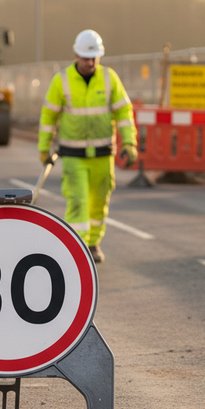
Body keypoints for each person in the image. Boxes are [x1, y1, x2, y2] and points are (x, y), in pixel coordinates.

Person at [37, 29, 138, 264]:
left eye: (94, 58)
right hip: (73, 155)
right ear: (76, 55)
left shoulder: (109, 78)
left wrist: (130, 142)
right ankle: (77, 246)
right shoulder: (61, 81)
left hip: (103, 154)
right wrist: (44, 148)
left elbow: (124, 112)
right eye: (85, 58)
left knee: (99, 201)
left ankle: (92, 244)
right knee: (78, 200)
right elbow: (48, 116)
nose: (90, 62)